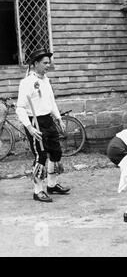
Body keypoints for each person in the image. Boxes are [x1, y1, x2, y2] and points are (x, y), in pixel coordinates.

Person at [16, 48, 70, 203]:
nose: (48, 65)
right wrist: (30, 128)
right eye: (45, 63)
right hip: (35, 122)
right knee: (41, 156)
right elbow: (20, 108)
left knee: (56, 152)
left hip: (48, 120)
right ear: (35, 64)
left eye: (49, 62)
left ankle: (52, 185)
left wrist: (58, 118)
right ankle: (38, 191)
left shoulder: (46, 80)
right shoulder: (27, 83)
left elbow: (51, 101)